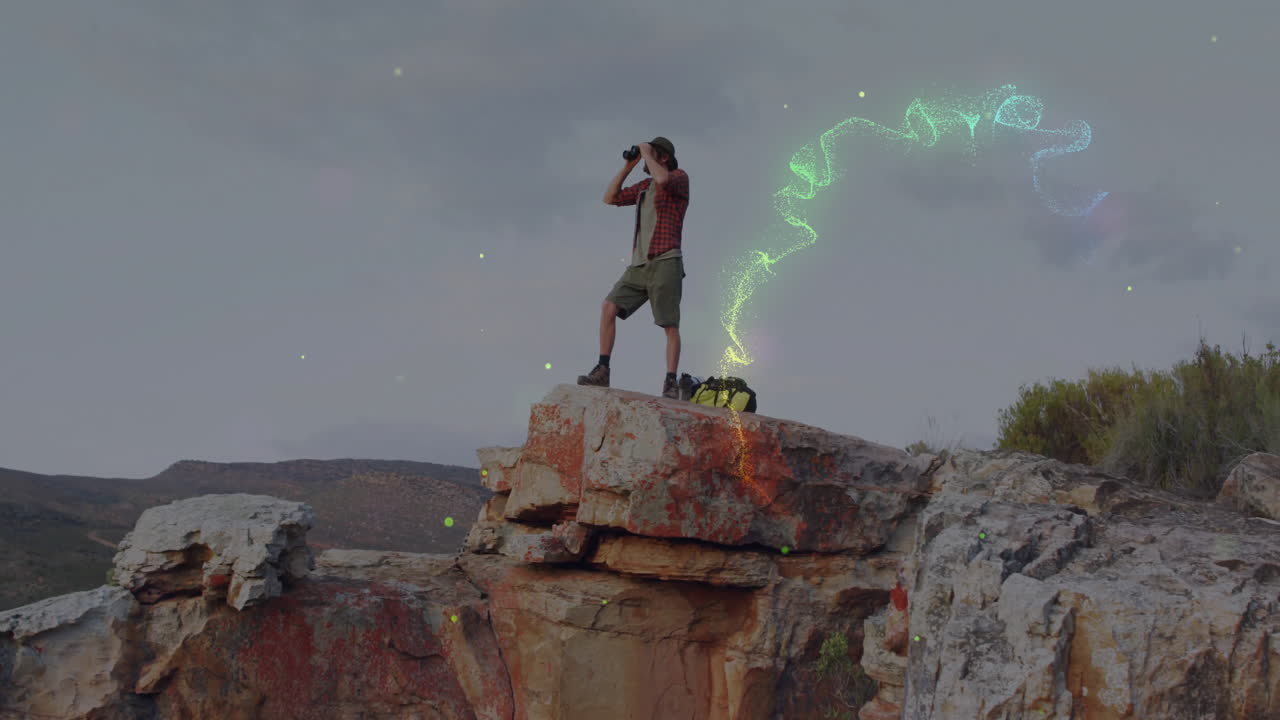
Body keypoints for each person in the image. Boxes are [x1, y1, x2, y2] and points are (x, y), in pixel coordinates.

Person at [577, 136, 690, 399]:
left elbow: (663, 179)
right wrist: (629, 165)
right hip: (639, 264)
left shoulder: (678, 178)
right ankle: (602, 369)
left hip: (666, 260)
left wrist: (648, 154)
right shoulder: (644, 188)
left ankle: (670, 382)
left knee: (669, 324)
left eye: (654, 152)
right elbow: (610, 197)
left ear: (663, 157)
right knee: (608, 307)